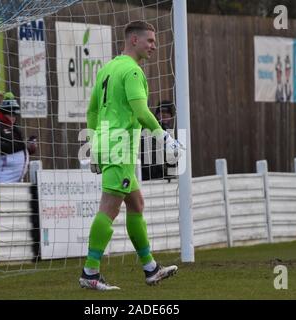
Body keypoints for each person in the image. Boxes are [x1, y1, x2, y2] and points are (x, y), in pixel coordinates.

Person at [80, 21, 182, 291]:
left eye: (155, 41)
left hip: (107, 144)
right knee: (109, 209)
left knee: (136, 204)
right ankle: (90, 272)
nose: (154, 46)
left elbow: (91, 111)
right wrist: (164, 137)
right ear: (133, 40)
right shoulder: (132, 72)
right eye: (149, 40)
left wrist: (93, 146)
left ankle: (150, 268)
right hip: (119, 147)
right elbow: (140, 112)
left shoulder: (107, 69)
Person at [0, 92, 37, 183]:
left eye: (15, 115)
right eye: (11, 114)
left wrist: (29, 147)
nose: (13, 118)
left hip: (17, 180)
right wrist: (24, 145)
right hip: (1, 179)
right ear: (3, 113)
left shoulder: (13, 127)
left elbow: (17, 146)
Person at [141, 100, 176, 181]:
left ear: (171, 115)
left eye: (167, 112)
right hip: (152, 176)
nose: (164, 115)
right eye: (161, 112)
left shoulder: (168, 130)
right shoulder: (151, 130)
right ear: (156, 114)